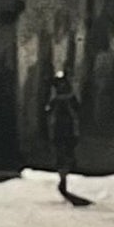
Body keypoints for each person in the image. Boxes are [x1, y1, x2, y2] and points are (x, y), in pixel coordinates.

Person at [42, 65, 81, 197]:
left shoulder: (58, 99)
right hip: (65, 128)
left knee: (62, 153)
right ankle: (64, 175)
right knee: (64, 152)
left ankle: (63, 176)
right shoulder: (67, 98)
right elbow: (77, 111)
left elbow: (48, 111)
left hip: (62, 128)